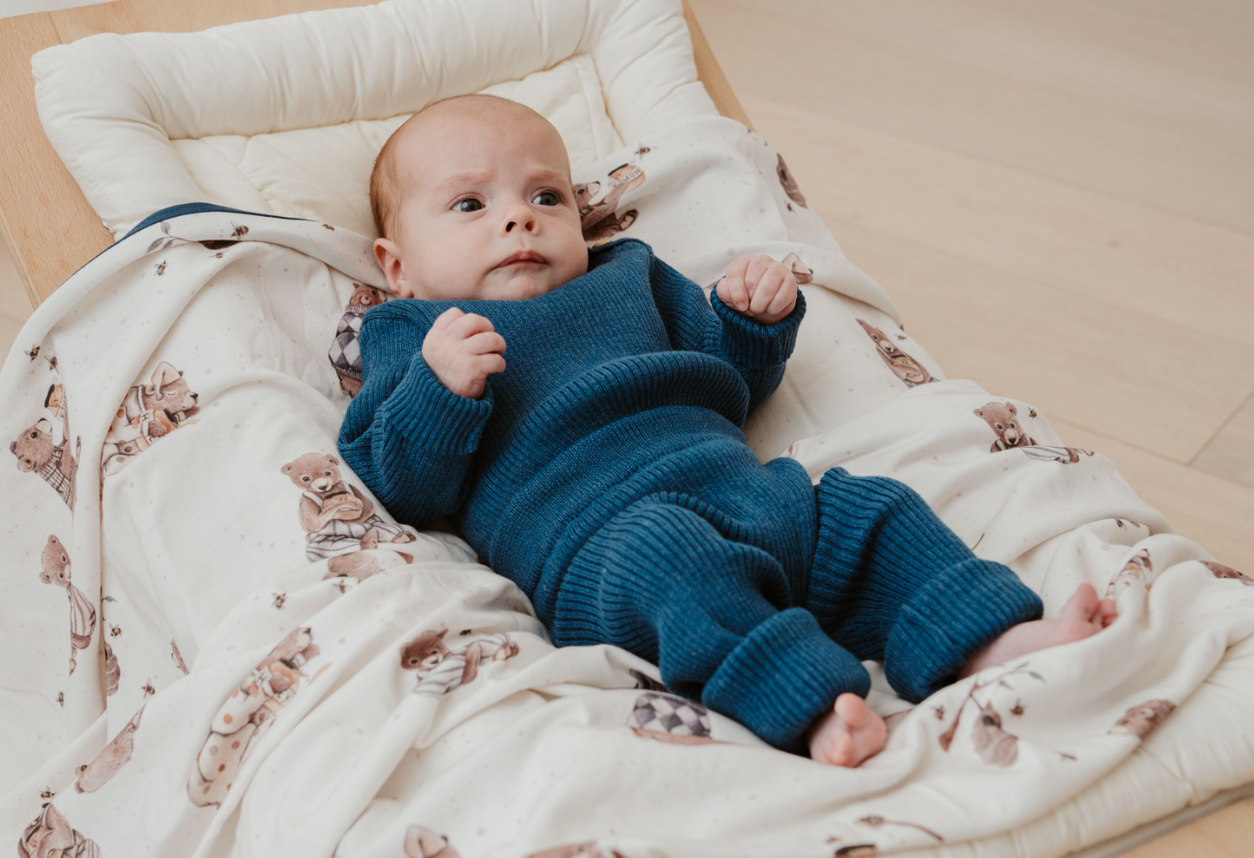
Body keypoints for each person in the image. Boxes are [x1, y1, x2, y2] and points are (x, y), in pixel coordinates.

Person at [337, 94, 1116, 766]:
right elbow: (398, 482)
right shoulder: (415, 332)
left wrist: (750, 323)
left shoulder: (628, 276)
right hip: (608, 553)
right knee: (673, 559)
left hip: (750, 494)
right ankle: (808, 706)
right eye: (469, 206)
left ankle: (984, 638)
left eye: (545, 196)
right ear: (395, 264)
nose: (518, 217)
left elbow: (731, 381)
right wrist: (439, 392)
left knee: (870, 509)